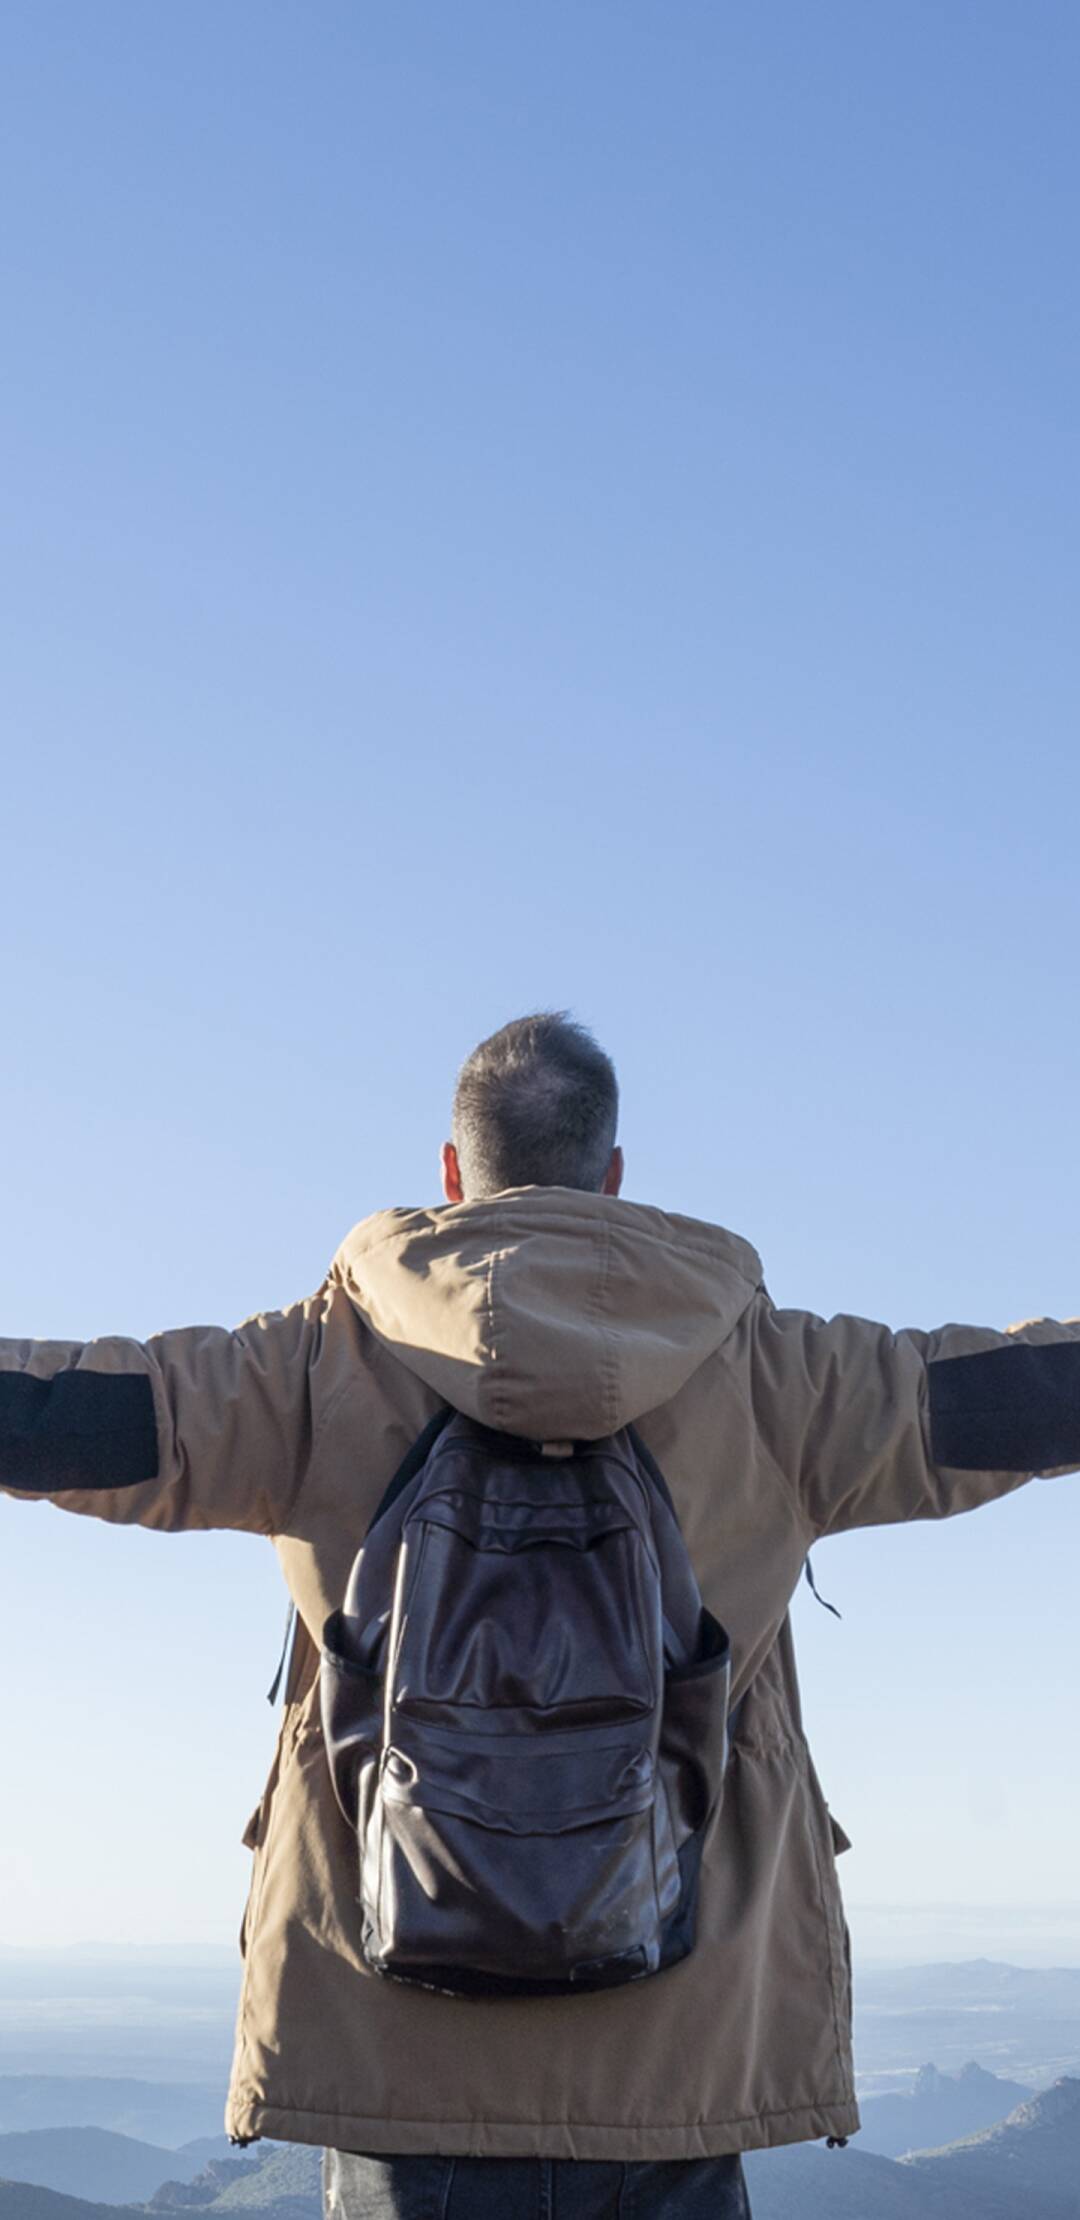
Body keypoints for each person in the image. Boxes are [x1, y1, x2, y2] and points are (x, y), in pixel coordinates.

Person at [2, 1011, 1077, 2220]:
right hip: (674, 2050)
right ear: (613, 1177)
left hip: (395, 2052)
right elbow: (1012, 1398)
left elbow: (65, 1414)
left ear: (453, 1174)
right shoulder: (782, 1379)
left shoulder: (305, 1370)